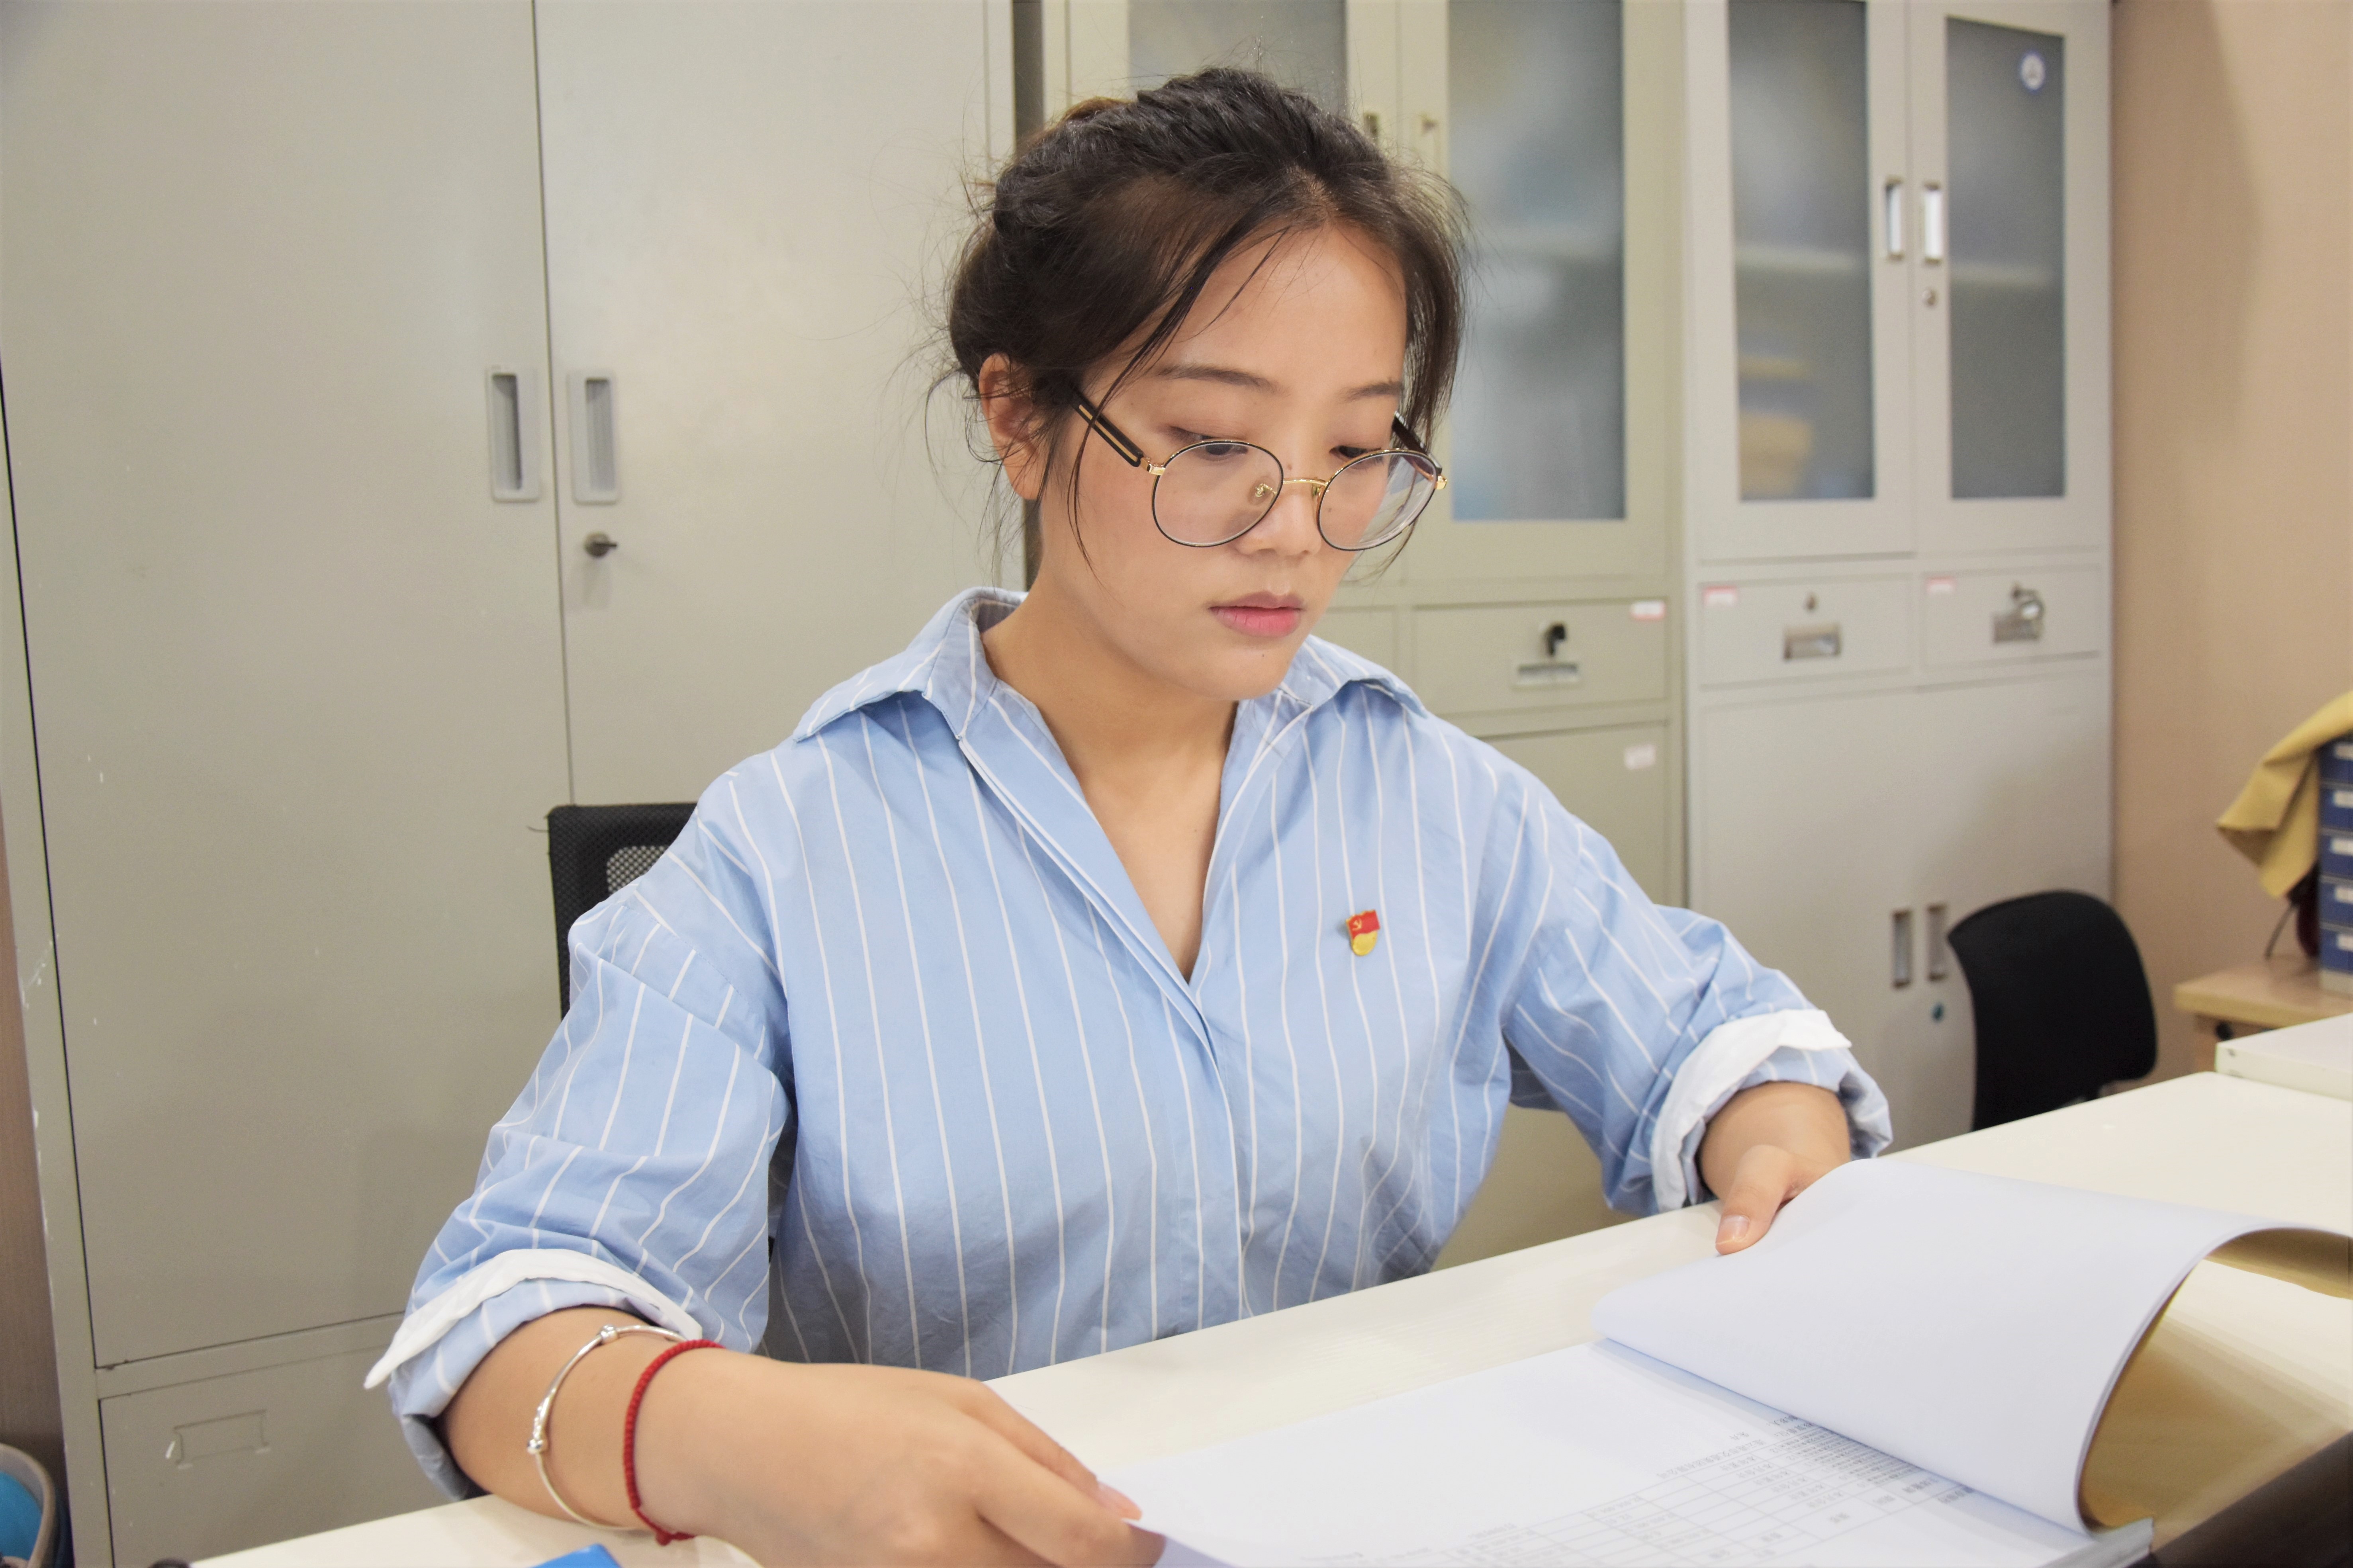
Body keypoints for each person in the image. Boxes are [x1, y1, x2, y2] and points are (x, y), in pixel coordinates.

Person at [369, 68, 1890, 1567]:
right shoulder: (787, 850)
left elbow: (1714, 1034)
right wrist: (744, 1440)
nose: (1293, 528)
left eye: (1355, 451)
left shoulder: (1423, 793)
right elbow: (504, 1323)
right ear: (1020, 418)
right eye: (1214, 443)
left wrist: (1772, 1133)